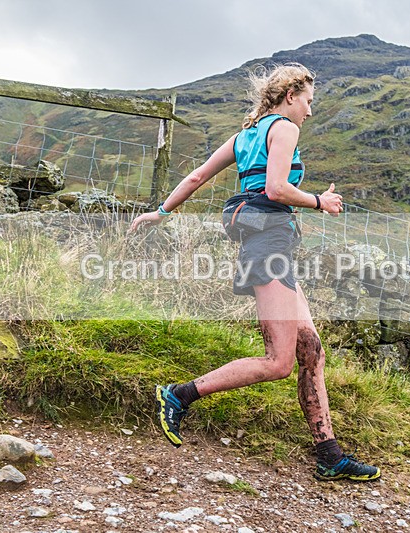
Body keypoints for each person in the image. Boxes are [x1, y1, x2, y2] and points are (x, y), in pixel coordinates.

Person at [129, 63, 380, 482]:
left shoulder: (245, 134)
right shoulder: (283, 128)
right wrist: (320, 201)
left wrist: (160, 212)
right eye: (308, 102)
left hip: (267, 243)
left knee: (311, 349)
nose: (310, 112)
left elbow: (197, 176)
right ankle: (178, 395)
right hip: (269, 246)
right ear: (290, 96)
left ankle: (329, 454)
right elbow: (275, 189)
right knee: (279, 361)